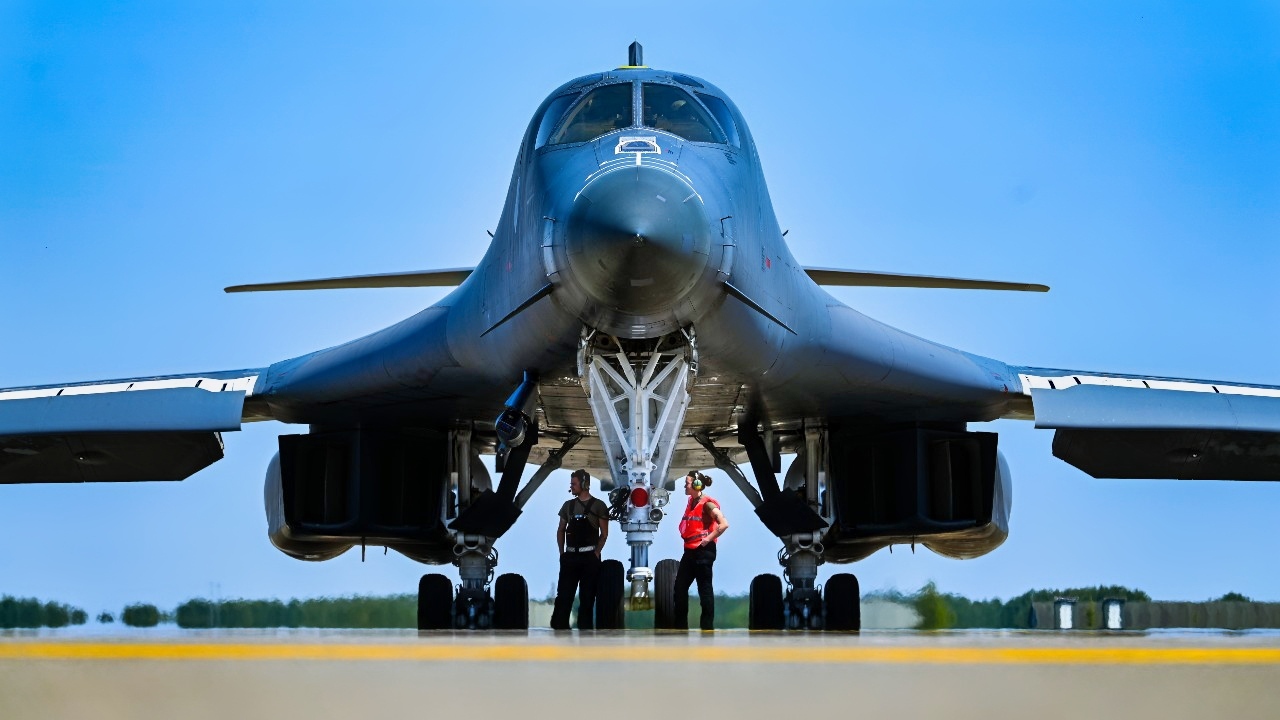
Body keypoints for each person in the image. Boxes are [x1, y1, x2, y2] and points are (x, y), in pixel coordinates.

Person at [551, 469, 609, 630]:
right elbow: (561, 529)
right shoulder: (567, 506)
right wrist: (562, 553)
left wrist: (596, 553)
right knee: (564, 596)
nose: (571, 487)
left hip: (589, 558)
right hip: (570, 557)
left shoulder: (599, 506)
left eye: (574, 484)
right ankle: (559, 627)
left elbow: (604, 534)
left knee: (587, 597)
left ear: (584, 484)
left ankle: (585, 630)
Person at [674, 471, 729, 630]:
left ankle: (707, 627)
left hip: (703, 551)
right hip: (690, 551)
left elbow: (724, 524)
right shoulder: (691, 501)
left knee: (704, 590)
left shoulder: (707, 504)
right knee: (680, 587)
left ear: (697, 485)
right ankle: (680, 626)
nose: (685, 486)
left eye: (687, 483)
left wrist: (708, 539)